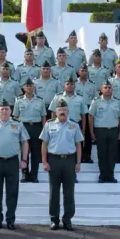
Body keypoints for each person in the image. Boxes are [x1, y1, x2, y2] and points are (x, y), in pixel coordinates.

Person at [0, 99, 29, 230]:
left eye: (7, 109)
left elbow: (25, 142)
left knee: (12, 192)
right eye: (2, 109)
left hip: (13, 161)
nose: (4, 111)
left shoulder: (17, 124)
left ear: (11, 111)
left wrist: (24, 160)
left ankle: (10, 219)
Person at [40, 99, 83, 231]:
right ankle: (54, 220)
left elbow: (78, 144)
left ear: (68, 111)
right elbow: (44, 144)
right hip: (54, 160)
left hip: (69, 160)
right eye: (60, 110)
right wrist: (44, 161)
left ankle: (67, 219)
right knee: (54, 192)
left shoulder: (74, 125)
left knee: (69, 192)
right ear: (56, 112)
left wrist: (78, 162)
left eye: (64, 110)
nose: (62, 112)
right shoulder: (49, 124)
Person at [88, 80, 120, 183]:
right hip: (100, 131)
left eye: (109, 87)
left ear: (112, 89)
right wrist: (91, 132)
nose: (107, 89)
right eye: (105, 87)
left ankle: (111, 175)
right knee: (102, 154)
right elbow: (91, 116)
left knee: (112, 155)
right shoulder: (96, 101)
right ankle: (102, 176)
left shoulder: (117, 102)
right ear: (101, 90)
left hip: (113, 130)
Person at [14, 78, 46, 182]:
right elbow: (15, 117)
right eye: (27, 86)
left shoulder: (40, 100)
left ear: (34, 87)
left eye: (31, 85)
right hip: (23, 127)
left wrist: (44, 130)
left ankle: (34, 175)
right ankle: (24, 174)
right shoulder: (18, 100)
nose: (29, 87)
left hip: (36, 127)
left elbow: (43, 117)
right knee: (24, 152)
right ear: (23, 88)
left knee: (36, 153)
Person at [74, 64, 97, 163]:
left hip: (88, 108)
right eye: (82, 70)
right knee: (76, 132)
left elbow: (95, 98)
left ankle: (87, 155)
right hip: (77, 109)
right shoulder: (74, 84)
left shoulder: (92, 84)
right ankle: (76, 156)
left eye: (85, 70)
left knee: (87, 133)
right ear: (78, 72)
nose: (84, 72)